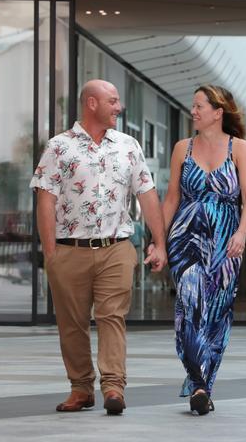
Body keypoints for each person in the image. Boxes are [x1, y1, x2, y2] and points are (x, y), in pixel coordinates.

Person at [31, 79, 167, 415]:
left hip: (116, 247)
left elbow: (148, 196)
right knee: (72, 323)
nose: (118, 107)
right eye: (113, 101)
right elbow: (45, 201)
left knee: (112, 317)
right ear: (91, 103)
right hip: (69, 249)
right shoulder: (58, 147)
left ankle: (113, 387)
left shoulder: (128, 145)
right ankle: (81, 389)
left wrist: (159, 242)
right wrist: (51, 254)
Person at [159, 85, 246, 415]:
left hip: (227, 239)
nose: (194, 111)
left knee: (217, 314)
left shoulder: (238, 147)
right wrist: (159, 240)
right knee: (188, 306)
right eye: (194, 106)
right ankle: (197, 380)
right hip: (186, 236)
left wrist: (242, 233)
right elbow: (172, 197)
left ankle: (204, 386)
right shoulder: (182, 148)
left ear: (218, 112)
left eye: (200, 106)